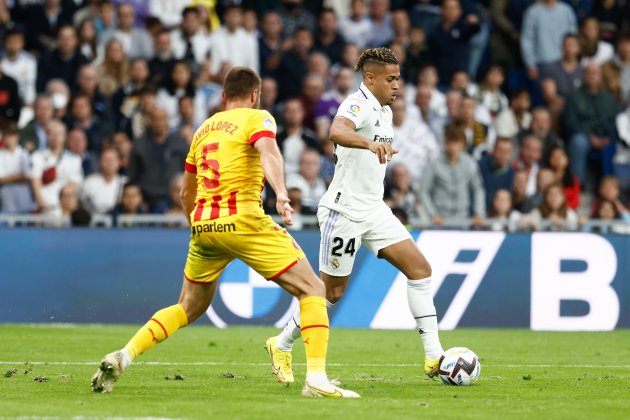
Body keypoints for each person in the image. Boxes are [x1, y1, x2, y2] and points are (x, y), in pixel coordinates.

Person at [91, 67, 358, 398]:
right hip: (244, 219)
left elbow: (186, 195)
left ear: (223, 96)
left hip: (204, 225)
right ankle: (316, 378)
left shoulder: (202, 130)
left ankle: (125, 355)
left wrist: (200, 228)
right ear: (254, 95)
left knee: (187, 307)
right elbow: (269, 153)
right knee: (314, 289)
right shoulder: (257, 118)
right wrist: (281, 192)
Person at [265, 48, 444, 386]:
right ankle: (281, 343)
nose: (397, 85)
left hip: (374, 208)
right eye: (391, 78)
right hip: (343, 211)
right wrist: (368, 143)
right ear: (370, 78)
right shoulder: (357, 103)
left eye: (398, 78)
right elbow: (337, 130)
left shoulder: (386, 111)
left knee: (420, 270)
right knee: (329, 293)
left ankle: (433, 356)